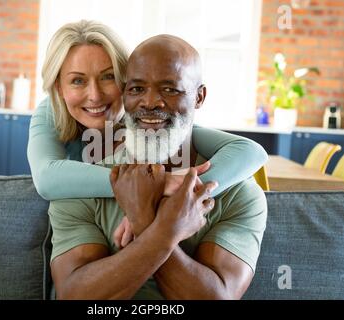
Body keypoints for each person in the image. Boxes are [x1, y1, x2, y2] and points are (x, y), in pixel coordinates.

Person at [48, 34, 267, 299]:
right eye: (137, 89)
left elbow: (218, 296)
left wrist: (144, 221)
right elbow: (75, 295)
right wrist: (164, 229)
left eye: (170, 89)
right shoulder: (81, 184)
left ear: (199, 97)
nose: (150, 102)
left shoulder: (238, 193)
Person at [27, 20, 267, 205]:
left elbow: (250, 151)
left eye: (108, 77)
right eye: (78, 81)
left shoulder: (143, 119)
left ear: (126, 80)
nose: (95, 95)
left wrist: (183, 191)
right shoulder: (52, 112)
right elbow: (46, 178)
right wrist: (154, 184)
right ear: (58, 87)